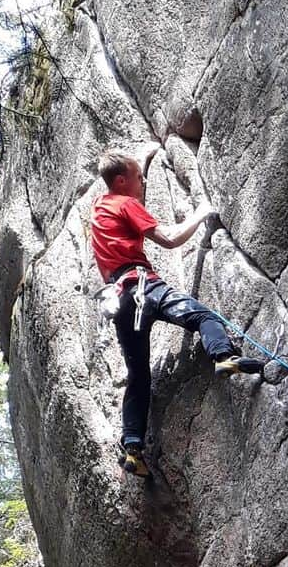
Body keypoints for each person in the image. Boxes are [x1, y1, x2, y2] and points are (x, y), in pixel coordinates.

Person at [91, 149, 256, 477]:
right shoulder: (125, 203)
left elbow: (123, 176)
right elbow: (167, 238)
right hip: (143, 288)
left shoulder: (100, 207)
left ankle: (134, 449)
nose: (144, 182)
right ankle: (223, 355)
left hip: (119, 300)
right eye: (139, 177)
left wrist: (144, 158)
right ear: (122, 181)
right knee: (204, 317)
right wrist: (200, 213)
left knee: (138, 375)